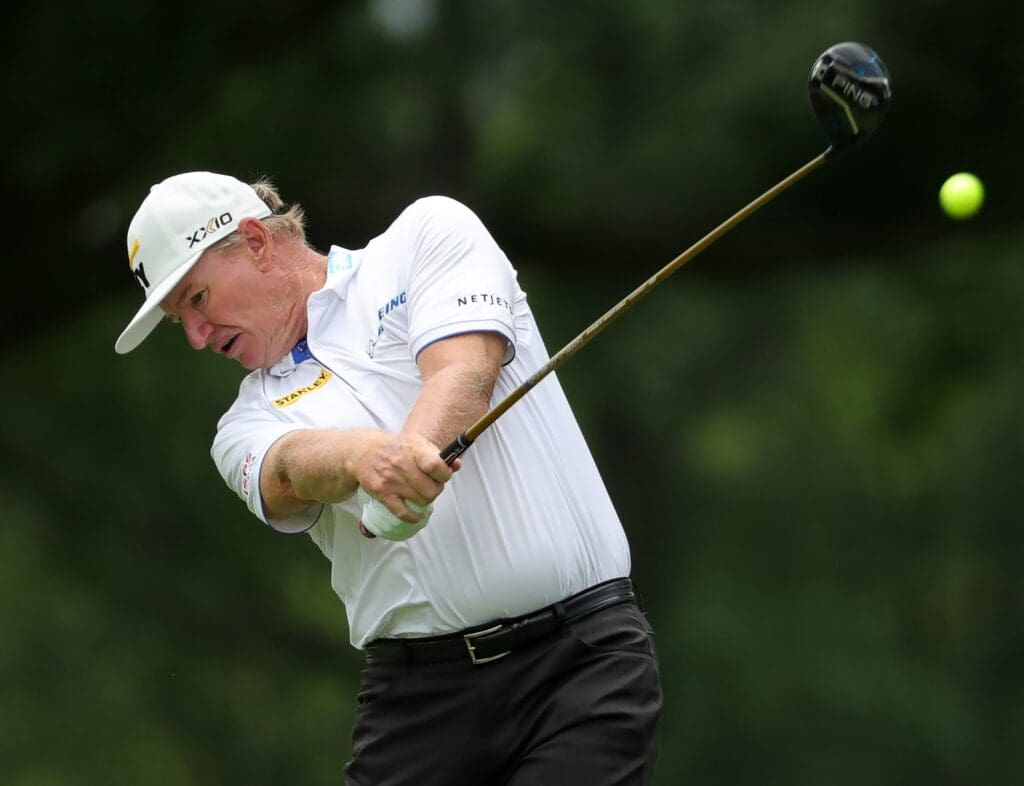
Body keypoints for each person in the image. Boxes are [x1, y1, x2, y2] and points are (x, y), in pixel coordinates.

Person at [115, 171, 662, 785]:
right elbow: (287, 470)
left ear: (256, 243)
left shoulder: (427, 235)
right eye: (177, 320)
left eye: (196, 300)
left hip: (581, 663)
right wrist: (358, 458)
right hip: (418, 703)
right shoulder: (241, 424)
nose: (195, 336)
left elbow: (465, 371)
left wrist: (410, 457)